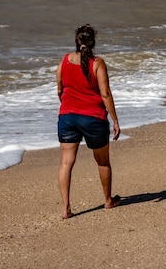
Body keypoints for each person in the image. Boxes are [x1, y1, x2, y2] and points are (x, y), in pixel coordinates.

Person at [56, 24, 121, 219]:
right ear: (93, 42)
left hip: (67, 116)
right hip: (93, 117)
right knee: (102, 161)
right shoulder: (97, 63)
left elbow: (59, 89)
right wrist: (115, 120)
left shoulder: (65, 60)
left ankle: (66, 209)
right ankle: (108, 200)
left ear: (76, 40)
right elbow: (105, 94)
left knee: (66, 163)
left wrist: (67, 105)